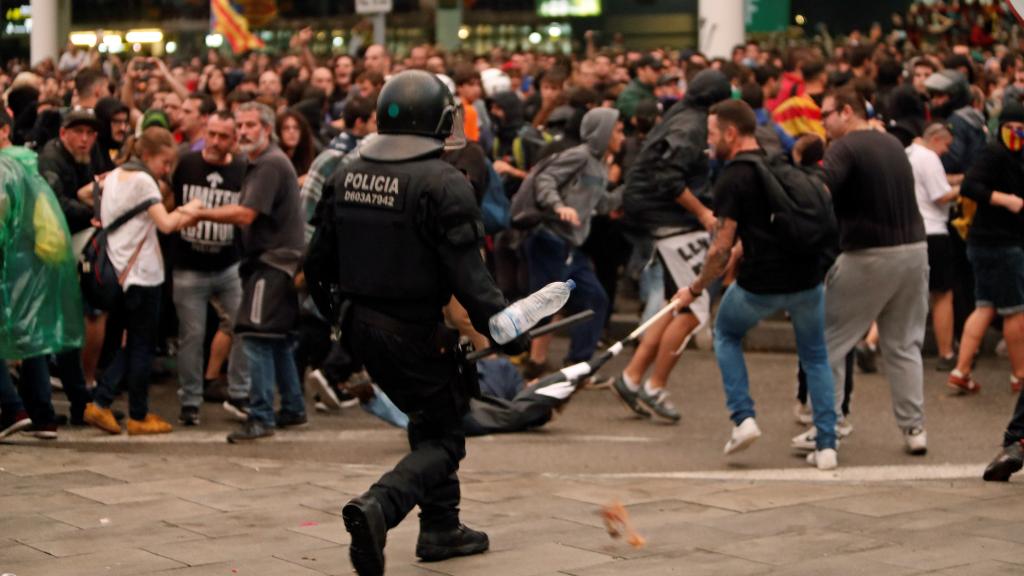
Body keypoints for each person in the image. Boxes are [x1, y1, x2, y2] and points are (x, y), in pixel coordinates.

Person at [311, 70, 526, 575]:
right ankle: (379, 507)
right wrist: (509, 326)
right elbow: (472, 280)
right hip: (413, 330)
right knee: (446, 439)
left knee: (432, 416)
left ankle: (441, 528)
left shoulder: (345, 173)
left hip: (361, 325)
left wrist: (338, 320)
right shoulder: (444, 181)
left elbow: (316, 265)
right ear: (441, 119)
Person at [671, 100, 838, 469]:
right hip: (807, 277)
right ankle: (827, 445)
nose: (709, 142)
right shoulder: (776, 160)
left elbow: (721, 247)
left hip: (760, 283)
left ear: (732, 133)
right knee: (815, 355)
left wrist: (695, 289)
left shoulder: (733, 176)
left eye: (713, 134)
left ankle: (743, 418)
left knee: (725, 334)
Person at [181, 102, 307, 443]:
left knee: (255, 336)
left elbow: (246, 214)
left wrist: (199, 214)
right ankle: (293, 407)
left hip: (273, 263)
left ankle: (262, 415)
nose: (244, 131)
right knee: (277, 339)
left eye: (251, 125)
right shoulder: (263, 162)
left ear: (267, 128)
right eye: (241, 125)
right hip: (276, 262)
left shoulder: (268, 163)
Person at [816, 88, 930, 457]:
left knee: (830, 342)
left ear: (846, 111)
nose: (823, 123)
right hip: (914, 250)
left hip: (868, 254)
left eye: (826, 115)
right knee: (904, 344)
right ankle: (914, 428)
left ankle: (827, 427)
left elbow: (820, 191)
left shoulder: (844, 148)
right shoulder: (893, 145)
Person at [613, 70, 731, 422]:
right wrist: (704, 214)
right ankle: (654, 386)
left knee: (674, 301)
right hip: (669, 219)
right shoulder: (691, 126)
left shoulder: (681, 115)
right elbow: (668, 175)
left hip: (653, 215)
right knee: (693, 307)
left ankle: (633, 377)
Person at [83, 127, 202, 436]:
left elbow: (85, 193)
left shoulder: (115, 174)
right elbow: (165, 224)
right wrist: (190, 210)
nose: (167, 170)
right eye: (165, 162)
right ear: (148, 155)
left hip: (118, 271)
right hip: (143, 274)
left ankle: (106, 401)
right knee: (142, 345)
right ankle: (132, 412)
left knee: (132, 343)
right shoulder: (143, 180)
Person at [0, 109, 90, 440]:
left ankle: (13, 408)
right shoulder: (30, 162)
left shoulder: (3, 167)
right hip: (36, 262)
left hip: (10, 264)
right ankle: (43, 415)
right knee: (31, 336)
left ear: (3, 130)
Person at [516, 107, 624, 377]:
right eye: (618, 130)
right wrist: (559, 206)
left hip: (569, 246)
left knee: (595, 299)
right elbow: (546, 180)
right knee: (547, 301)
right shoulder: (579, 156)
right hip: (549, 239)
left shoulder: (600, 166)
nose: (622, 136)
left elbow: (601, 204)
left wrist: (629, 193)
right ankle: (533, 364)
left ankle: (577, 365)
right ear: (603, 133)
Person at [170, 111, 249, 426]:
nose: (216, 142)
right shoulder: (185, 163)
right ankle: (190, 399)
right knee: (192, 335)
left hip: (228, 264)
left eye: (223, 136)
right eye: (212, 134)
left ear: (234, 139)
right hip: (189, 266)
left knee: (243, 325)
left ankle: (240, 392)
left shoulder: (242, 169)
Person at [949, 101, 1024, 396]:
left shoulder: (1006, 152)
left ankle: (961, 370)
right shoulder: (996, 152)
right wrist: (1006, 200)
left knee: (985, 306)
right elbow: (969, 186)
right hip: (1002, 244)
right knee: (1015, 311)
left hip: (988, 243)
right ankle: (1019, 375)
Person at [908, 123, 959, 371]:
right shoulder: (929, 158)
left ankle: (872, 343)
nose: (946, 151)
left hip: (911, 232)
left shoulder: (910, 154)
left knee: (905, 295)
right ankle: (946, 352)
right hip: (934, 232)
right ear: (936, 139)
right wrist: (967, 188)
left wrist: (958, 178)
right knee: (942, 295)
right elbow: (940, 194)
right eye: (946, 145)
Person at [276, 109, 316, 184]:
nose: (292, 132)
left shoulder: (305, 155)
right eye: (286, 128)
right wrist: (297, 182)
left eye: (296, 128)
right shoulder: (274, 159)